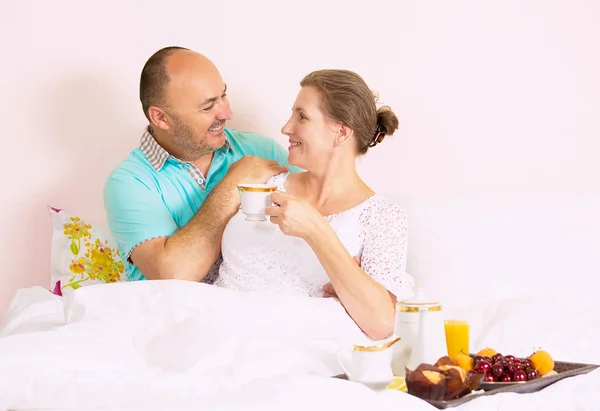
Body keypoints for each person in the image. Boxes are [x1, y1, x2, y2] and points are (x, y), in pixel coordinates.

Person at [213, 69, 415, 340]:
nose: (286, 128)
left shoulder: (382, 217)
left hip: (292, 346)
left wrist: (316, 231)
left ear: (341, 132)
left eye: (302, 117)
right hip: (215, 330)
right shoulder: (259, 183)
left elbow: (382, 323)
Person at [103, 46, 295, 283]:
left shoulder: (262, 151)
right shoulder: (130, 182)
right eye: (208, 106)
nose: (227, 112)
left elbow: (323, 218)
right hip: (173, 315)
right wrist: (234, 184)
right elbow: (172, 275)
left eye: (223, 95)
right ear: (161, 118)